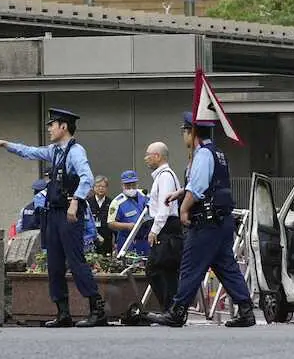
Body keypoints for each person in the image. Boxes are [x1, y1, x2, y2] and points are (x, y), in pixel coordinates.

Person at [0, 108, 107, 328]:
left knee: (76, 261)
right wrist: (5, 144)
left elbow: (87, 178)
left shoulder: (75, 151)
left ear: (64, 126)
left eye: (53, 124)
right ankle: (63, 313)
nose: (49, 128)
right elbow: (29, 152)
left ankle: (96, 310)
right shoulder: (55, 151)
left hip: (69, 214)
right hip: (53, 214)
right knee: (54, 264)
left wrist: (76, 201)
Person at [151, 112, 255, 328]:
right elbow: (209, 185)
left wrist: (184, 210)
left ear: (193, 132)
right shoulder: (217, 153)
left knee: (190, 265)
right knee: (226, 266)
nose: (183, 136)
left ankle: (178, 312)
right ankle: (246, 310)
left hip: (206, 223)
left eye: (184, 131)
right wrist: (181, 193)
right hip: (221, 221)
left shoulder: (203, 155)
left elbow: (198, 188)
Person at [143, 141, 182, 312]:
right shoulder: (163, 176)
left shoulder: (165, 176)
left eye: (148, 155)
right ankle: (171, 308)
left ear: (157, 156)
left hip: (166, 227)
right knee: (166, 270)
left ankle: (170, 308)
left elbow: (164, 206)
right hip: (167, 226)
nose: (146, 158)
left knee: (157, 268)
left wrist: (154, 230)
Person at [108, 170, 150, 256]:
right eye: (127, 185)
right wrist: (127, 226)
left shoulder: (144, 195)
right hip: (128, 242)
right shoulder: (117, 202)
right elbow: (111, 223)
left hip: (145, 240)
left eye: (133, 184)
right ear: (122, 185)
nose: (131, 187)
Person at [87, 176, 112, 255]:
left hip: (107, 239)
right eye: (98, 186)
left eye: (103, 186)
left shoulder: (111, 202)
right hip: (91, 240)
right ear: (94, 187)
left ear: (107, 188)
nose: (101, 188)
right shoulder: (87, 202)